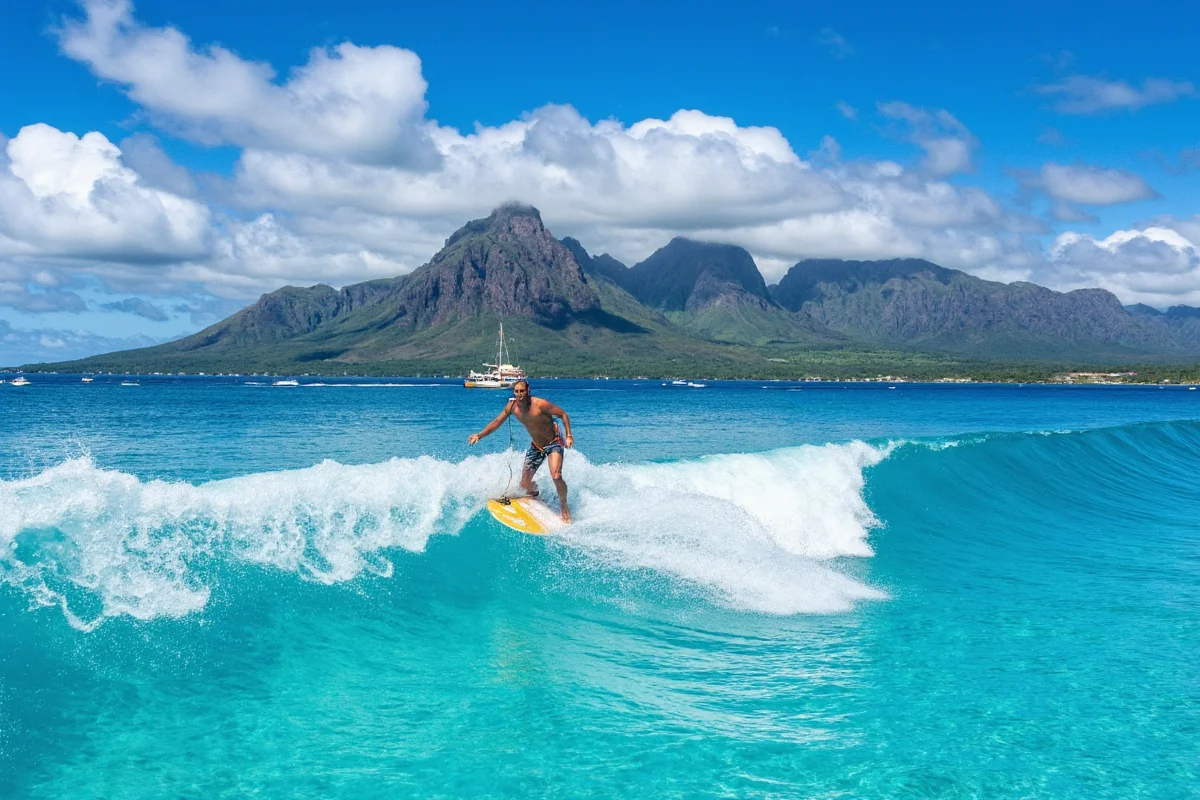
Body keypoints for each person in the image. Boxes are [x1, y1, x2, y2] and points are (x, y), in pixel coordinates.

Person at [468, 379, 574, 522]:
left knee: (556, 475)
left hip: (553, 442)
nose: (519, 394)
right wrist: (479, 435)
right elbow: (497, 422)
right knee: (524, 485)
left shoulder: (540, 404)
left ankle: (564, 506)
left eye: (522, 391)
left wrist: (568, 435)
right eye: (516, 391)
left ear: (528, 391)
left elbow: (563, 415)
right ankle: (537, 495)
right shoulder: (512, 407)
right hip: (536, 446)